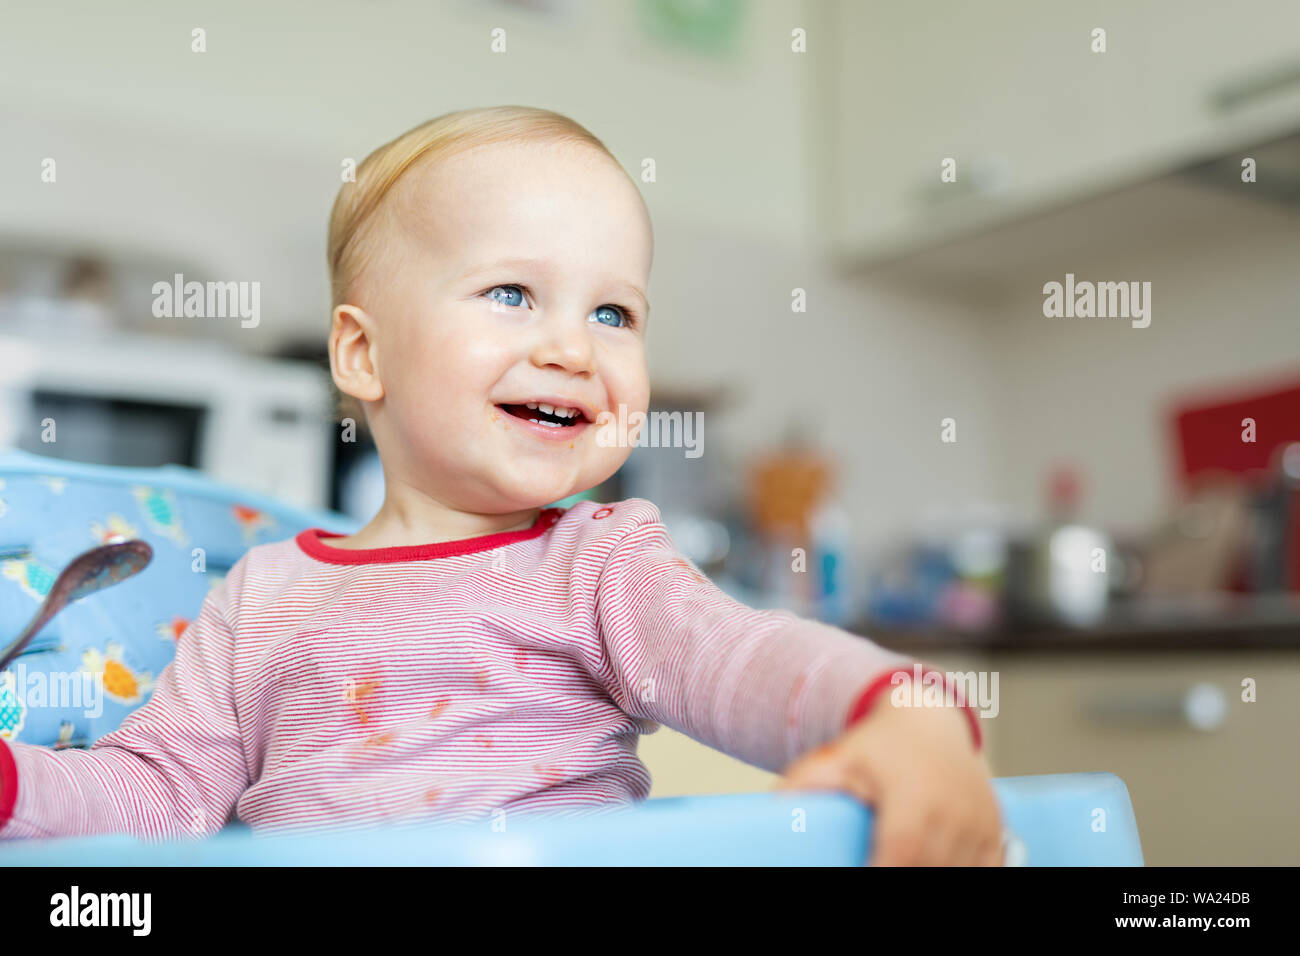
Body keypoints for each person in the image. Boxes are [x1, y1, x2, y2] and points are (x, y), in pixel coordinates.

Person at [0, 106, 1002, 865]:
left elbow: (746, 659)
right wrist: (14, 785)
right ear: (362, 351)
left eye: (615, 312)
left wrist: (903, 714)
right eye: (513, 293)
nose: (573, 345)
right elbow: (160, 793)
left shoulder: (601, 564)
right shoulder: (258, 595)